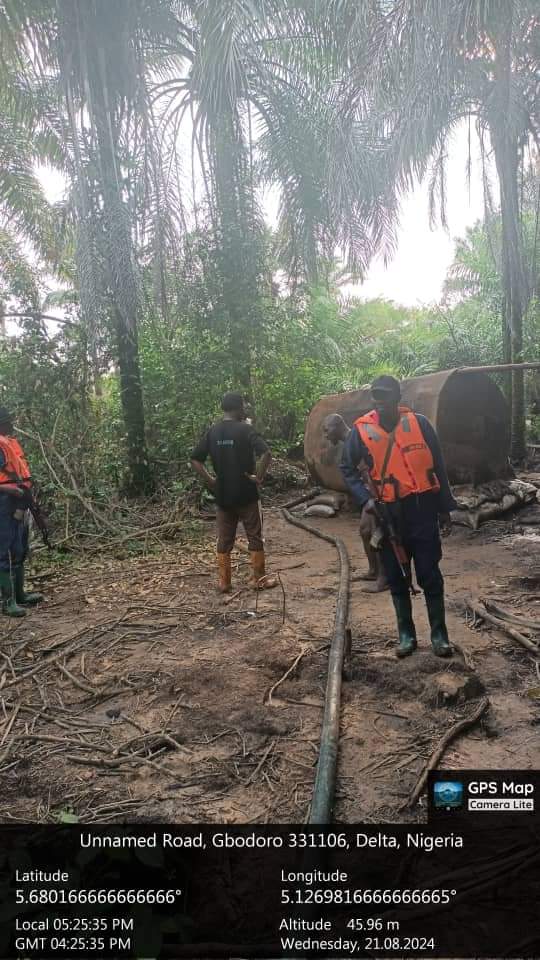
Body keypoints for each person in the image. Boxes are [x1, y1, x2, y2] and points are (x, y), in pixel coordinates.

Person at [339, 376, 457, 658]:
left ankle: (439, 635)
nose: (382, 404)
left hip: (422, 507)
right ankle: (406, 635)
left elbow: (438, 467)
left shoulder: (420, 424)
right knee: (396, 575)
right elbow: (347, 467)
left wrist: (445, 509)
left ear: (397, 397)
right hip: (387, 512)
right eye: (377, 398)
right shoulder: (361, 431)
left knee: (429, 572)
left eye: (387, 398)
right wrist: (365, 499)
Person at [191, 393, 277, 594]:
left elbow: (196, 459)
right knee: (254, 535)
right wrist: (259, 476)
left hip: (223, 495)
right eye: (243, 406)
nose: (245, 409)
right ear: (238, 408)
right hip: (246, 493)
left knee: (224, 538)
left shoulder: (212, 432)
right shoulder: (246, 430)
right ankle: (259, 579)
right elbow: (266, 453)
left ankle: (224, 582)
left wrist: (211, 480)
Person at [323, 414, 388, 592]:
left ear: (337, 426)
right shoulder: (351, 442)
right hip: (369, 494)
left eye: (327, 430)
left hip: (377, 493)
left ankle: (384, 578)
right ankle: (374, 571)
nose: (326, 435)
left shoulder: (357, 438)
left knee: (377, 533)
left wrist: (373, 496)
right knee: (366, 531)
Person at [0, 407, 44, 616]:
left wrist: (24, 493)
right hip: (4, 503)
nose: (12, 424)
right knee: (3, 552)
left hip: (18, 501)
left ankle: (19, 594)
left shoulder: (8, 443)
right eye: (8, 421)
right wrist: (11, 489)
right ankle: (8, 602)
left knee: (19, 549)